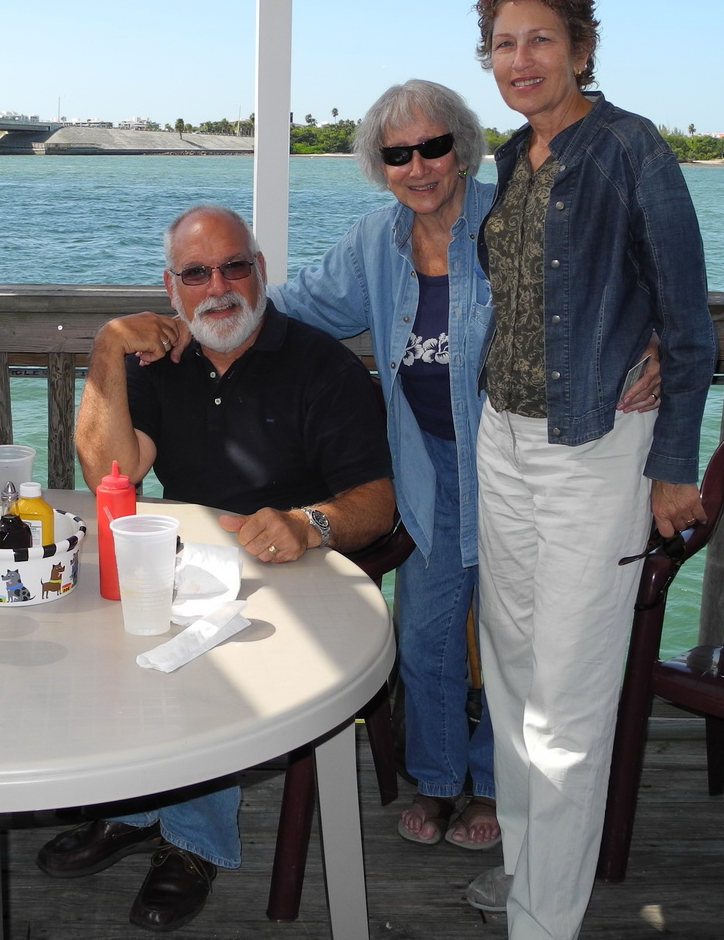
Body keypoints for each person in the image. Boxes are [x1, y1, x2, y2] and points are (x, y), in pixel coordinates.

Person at [273, 81, 662, 856]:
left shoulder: (512, 219)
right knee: (424, 634)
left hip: (523, 466)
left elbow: (615, 282)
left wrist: (652, 341)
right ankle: (438, 779)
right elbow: (291, 305)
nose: (418, 166)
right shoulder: (372, 246)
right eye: (397, 154)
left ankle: (495, 785)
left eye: (433, 146)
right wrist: (193, 313)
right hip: (429, 471)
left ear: (463, 147)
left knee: (518, 640)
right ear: (379, 165)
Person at [44, 203, 396, 932]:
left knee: (204, 658)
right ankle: (134, 806)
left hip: (295, 580)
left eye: (235, 265)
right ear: (170, 287)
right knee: (93, 624)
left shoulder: (319, 364)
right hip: (191, 562)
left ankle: (192, 842)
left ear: (261, 272)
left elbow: (379, 503)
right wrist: (109, 346)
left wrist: (310, 523)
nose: (219, 286)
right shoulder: (156, 363)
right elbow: (112, 469)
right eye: (196, 273)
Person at [462, 0, 715, 939]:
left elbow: (688, 322)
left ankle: (544, 921)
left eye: (538, 40)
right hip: (503, 437)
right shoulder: (508, 159)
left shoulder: (628, 149)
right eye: (501, 44)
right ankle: (530, 876)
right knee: (517, 674)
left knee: (566, 702)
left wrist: (673, 466)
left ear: (578, 48)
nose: (519, 60)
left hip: (597, 448)